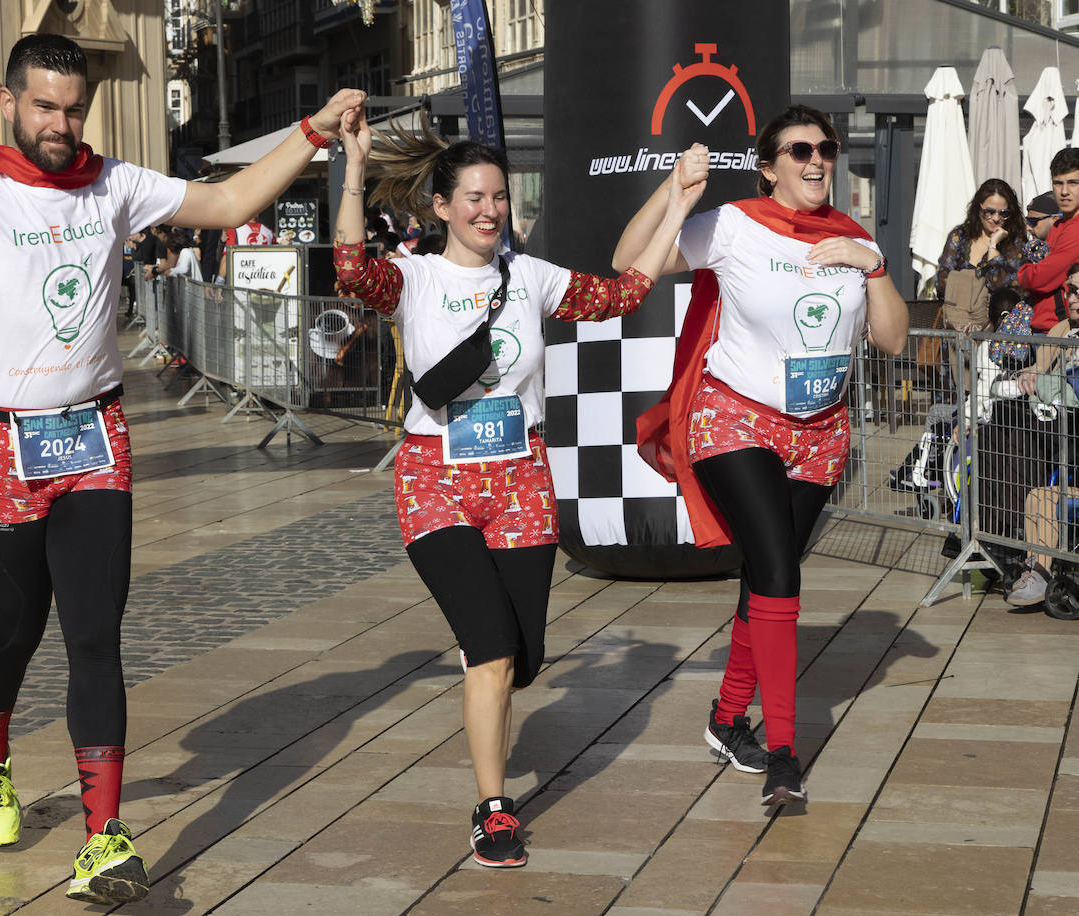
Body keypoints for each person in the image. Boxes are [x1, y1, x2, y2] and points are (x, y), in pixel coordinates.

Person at [0, 15, 364, 906]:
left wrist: (310, 135)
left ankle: (104, 837)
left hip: (95, 439)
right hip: (3, 441)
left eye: (74, 111)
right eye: (44, 107)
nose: (60, 126)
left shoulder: (112, 183)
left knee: (93, 635)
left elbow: (228, 205)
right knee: (17, 627)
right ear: (9, 101)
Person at [332, 108, 685, 868]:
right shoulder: (415, 279)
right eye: (474, 199)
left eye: (499, 198)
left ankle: (489, 675)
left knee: (521, 657)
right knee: (489, 649)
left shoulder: (530, 278)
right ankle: (493, 809)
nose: (489, 211)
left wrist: (677, 201)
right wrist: (354, 168)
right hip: (437, 479)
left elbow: (622, 294)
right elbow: (352, 269)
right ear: (441, 207)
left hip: (522, 478)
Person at [614, 104, 908, 807]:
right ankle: (783, 753)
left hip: (821, 433)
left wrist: (876, 264)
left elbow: (895, 341)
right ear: (768, 165)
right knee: (778, 574)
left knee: (766, 576)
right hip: (735, 420)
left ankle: (724, 719)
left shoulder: (852, 236)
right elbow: (628, 266)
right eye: (800, 149)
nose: (816, 161)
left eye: (827, 149)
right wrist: (673, 192)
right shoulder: (734, 224)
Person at [1006, 262, 1079, 605]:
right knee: (1038, 495)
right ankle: (1037, 572)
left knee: (1047, 497)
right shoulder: (1063, 328)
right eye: (1071, 290)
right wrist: (1027, 377)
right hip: (1064, 434)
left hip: (1070, 434)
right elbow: (1037, 368)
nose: (1073, 297)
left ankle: (1041, 575)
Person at [935, 178, 1028, 322]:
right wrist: (979, 289)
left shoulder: (1016, 243)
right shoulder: (959, 237)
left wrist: (993, 247)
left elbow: (1003, 286)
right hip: (958, 325)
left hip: (998, 330)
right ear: (979, 208)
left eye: (1003, 213)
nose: (996, 218)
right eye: (989, 212)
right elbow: (941, 282)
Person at [1020, 148, 1079, 333]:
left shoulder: (1076, 228)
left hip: (1062, 333)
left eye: (1073, 183)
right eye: (1058, 183)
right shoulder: (1059, 225)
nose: (1064, 191)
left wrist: (1023, 272)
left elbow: (1041, 278)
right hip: (1048, 329)